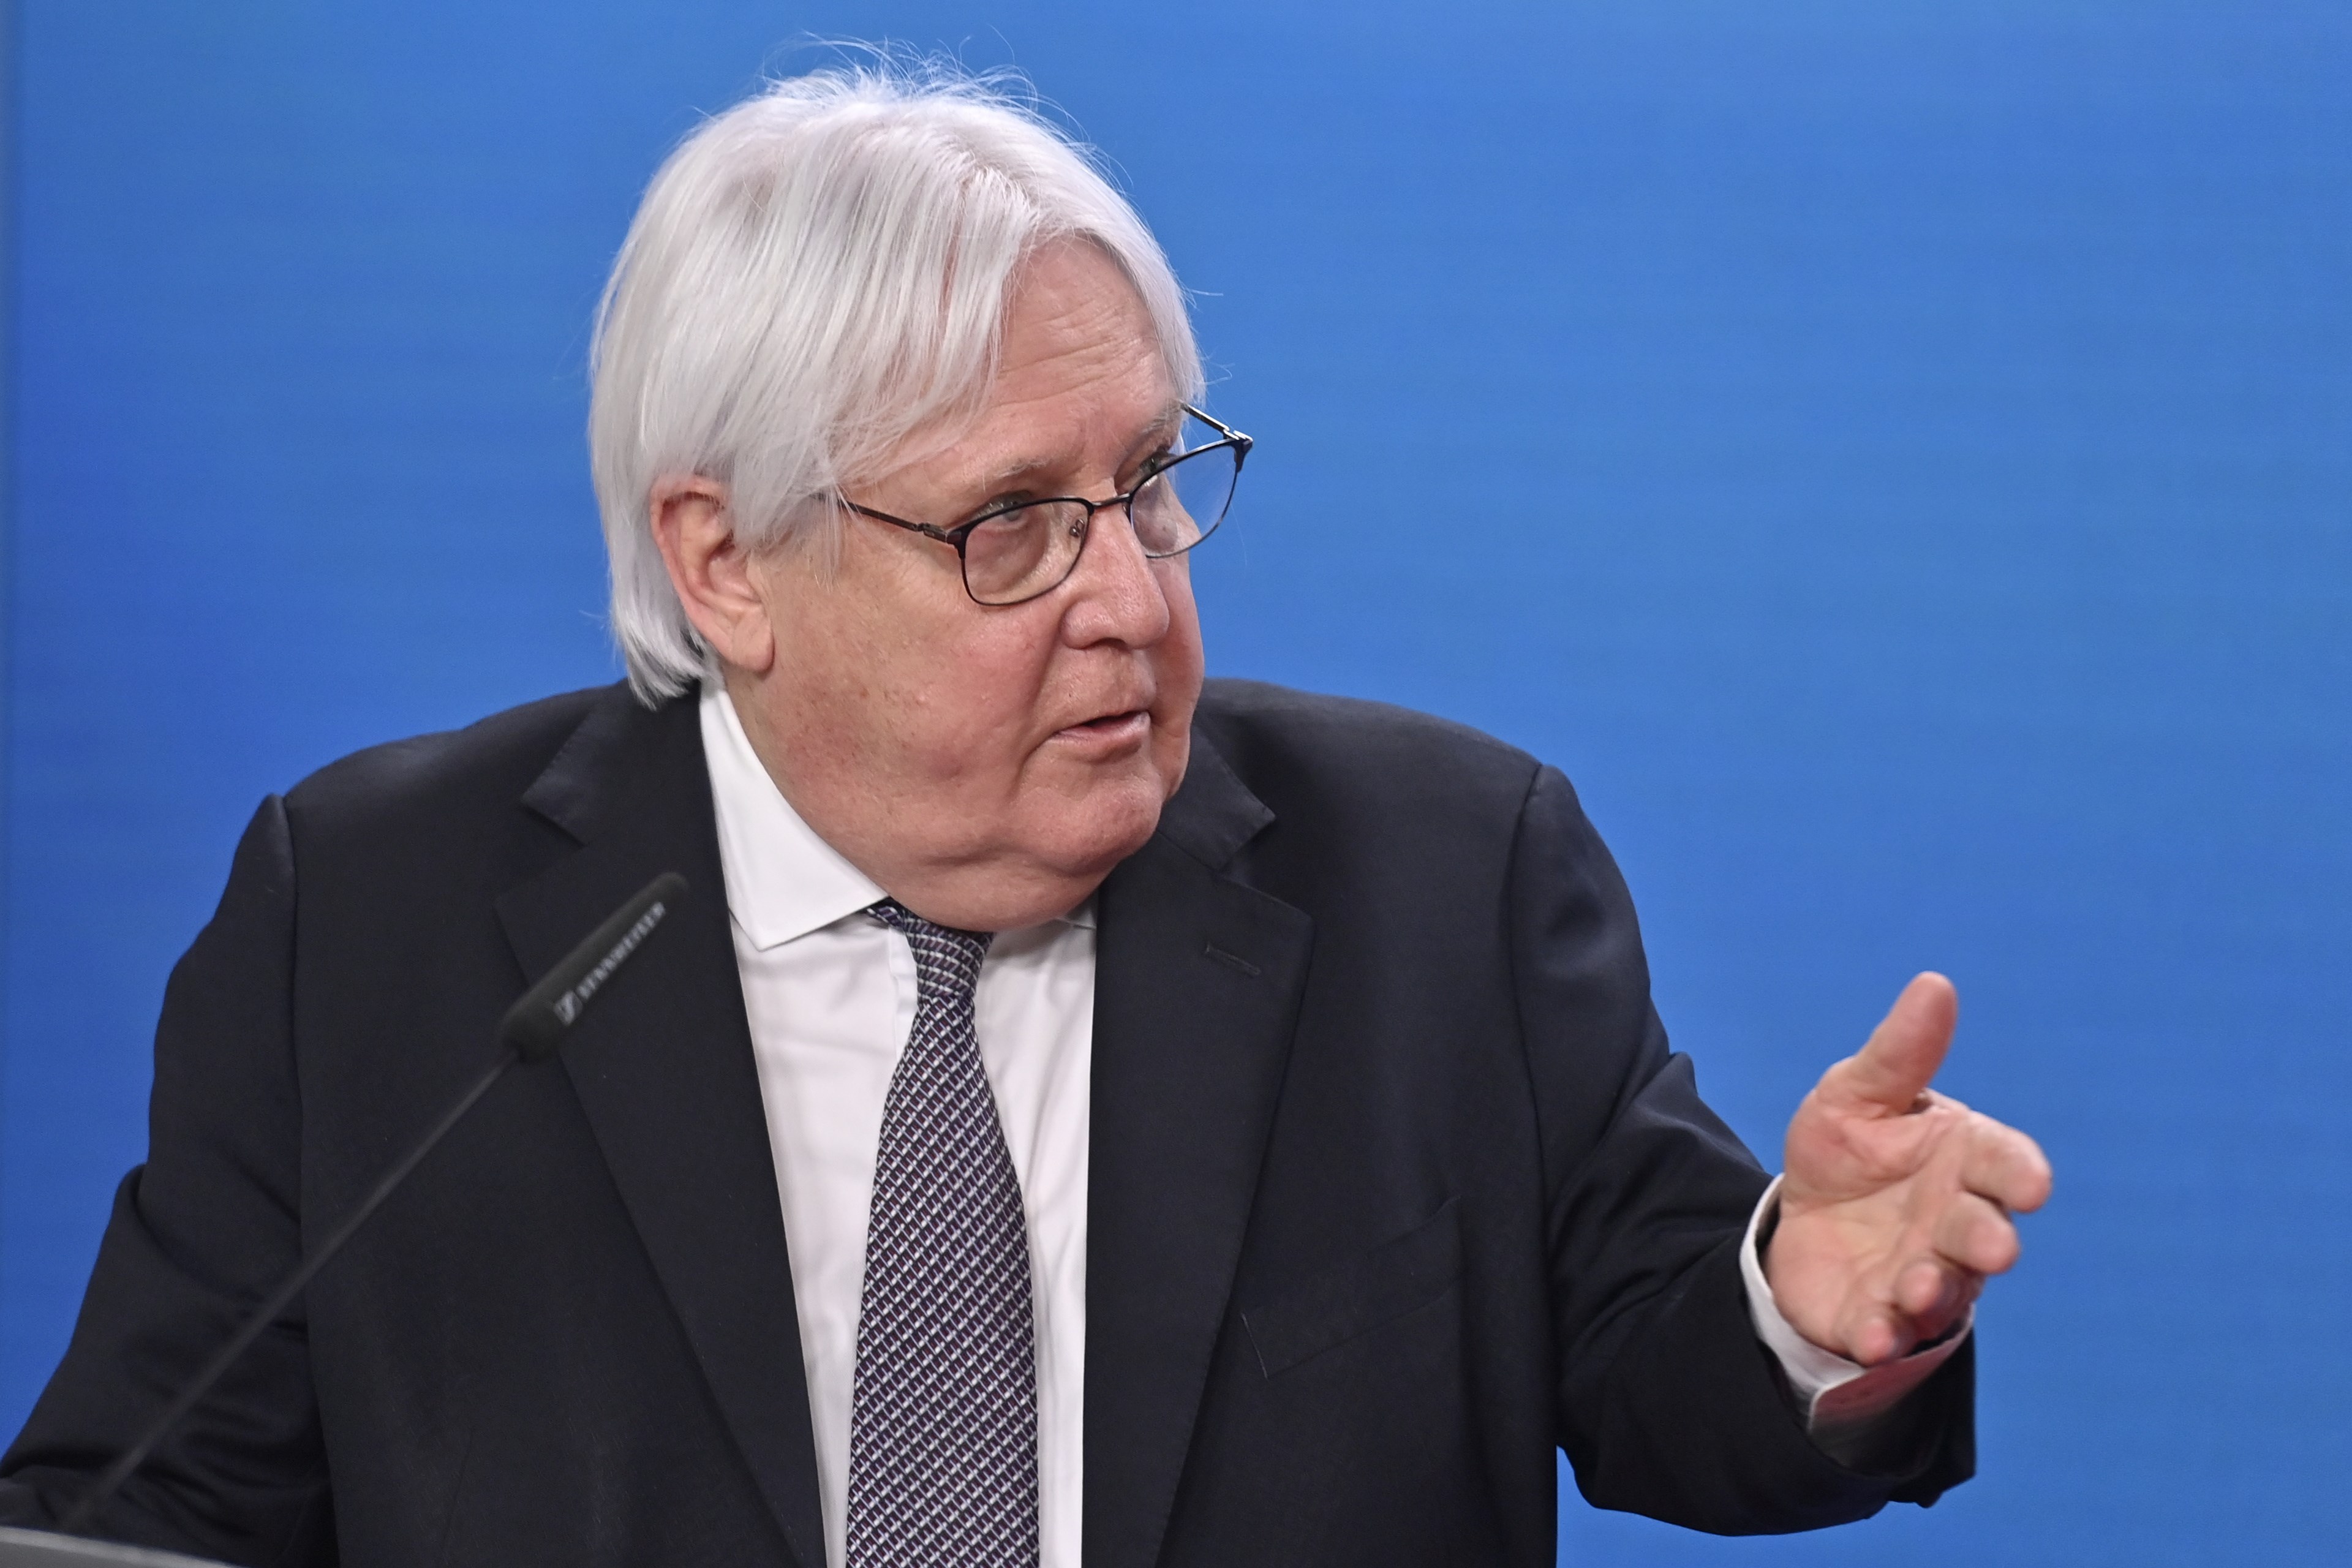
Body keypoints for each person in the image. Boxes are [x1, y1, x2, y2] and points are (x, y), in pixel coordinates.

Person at [0, 64, 2050, 1568]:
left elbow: (1668, 1377)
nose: (1134, 600)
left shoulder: (1446, 876)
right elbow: (151, 1501)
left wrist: (1806, 1304)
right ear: (724, 566)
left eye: (1151, 483)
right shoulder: (371, 922)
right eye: (1008, 528)